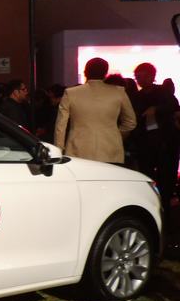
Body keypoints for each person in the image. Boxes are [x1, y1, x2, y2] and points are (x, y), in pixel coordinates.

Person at [54, 57, 136, 163]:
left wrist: (58, 150)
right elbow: (130, 122)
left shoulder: (70, 93)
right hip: (110, 149)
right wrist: (116, 134)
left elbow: (60, 126)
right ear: (105, 73)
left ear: (85, 72)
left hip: (78, 149)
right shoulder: (118, 92)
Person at [133, 62, 179, 212]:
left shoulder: (163, 93)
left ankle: (165, 205)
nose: (139, 80)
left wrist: (156, 109)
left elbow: (174, 107)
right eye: (137, 77)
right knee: (147, 175)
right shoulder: (137, 96)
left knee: (166, 176)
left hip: (165, 141)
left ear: (152, 76)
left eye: (142, 76)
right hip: (145, 142)